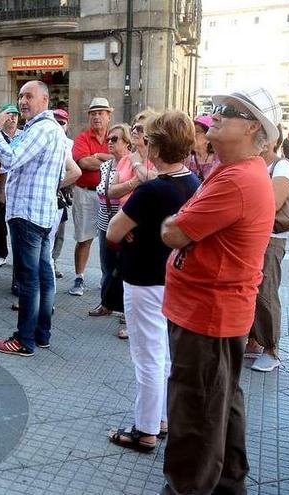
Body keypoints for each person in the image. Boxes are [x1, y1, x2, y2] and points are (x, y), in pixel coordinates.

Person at [160, 87, 280, 494]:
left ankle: (188, 487)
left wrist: (177, 224)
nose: (213, 121)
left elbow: (174, 232)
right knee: (220, 402)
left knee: (195, 411)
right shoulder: (232, 173)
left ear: (251, 128)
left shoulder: (237, 180)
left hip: (207, 316)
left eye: (225, 115)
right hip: (210, 313)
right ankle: (229, 483)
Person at [105, 111, 200, 452]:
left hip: (144, 278)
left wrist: (131, 232)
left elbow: (115, 231)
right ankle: (160, 417)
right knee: (163, 353)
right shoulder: (194, 184)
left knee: (148, 354)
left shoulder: (152, 190)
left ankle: (145, 430)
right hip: (173, 276)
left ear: (156, 148)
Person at [0, 81, 65, 357]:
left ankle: (24, 341)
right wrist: (2, 137)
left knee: (29, 279)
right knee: (43, 277)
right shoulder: (43, 128)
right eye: (20, 96)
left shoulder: (42, 128)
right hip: (40, 213)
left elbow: (10, 160)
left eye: (29, 96)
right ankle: (41, 335)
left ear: (45, 99)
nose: (22, 101)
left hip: (28, 214)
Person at [248, 126, 289, 372]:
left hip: (271, 236)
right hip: (252, 234)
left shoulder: (282, 166)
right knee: (251, 290)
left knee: (265, 292)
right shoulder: (253, 165)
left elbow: (273, 203)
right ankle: (254, 341)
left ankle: (272, 349)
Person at [87, 123, 133, 324]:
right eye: (109, 139)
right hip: (105, 222)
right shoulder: (105, 166)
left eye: (115, 139)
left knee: (126, 267)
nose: (110, 143)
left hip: (125, 224)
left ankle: (126, 310)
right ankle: (106, 303)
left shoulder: (133, 165)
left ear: (127, 142)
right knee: (107, 266)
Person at [70, 97, 114, 296]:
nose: (96, 117)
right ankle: (79, 278)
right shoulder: (82, 138)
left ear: (108, 116)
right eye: (93, 113)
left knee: (110, 239)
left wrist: (96, 157)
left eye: (101, 113)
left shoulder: (115, 136)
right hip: (85, 193)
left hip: (109, 195)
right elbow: (84, 163)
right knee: (84, 238)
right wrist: (109, 160)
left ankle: (107, 279)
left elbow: (123, 160)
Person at [0, 103, 21, 268]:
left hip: (18, 187)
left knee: (18, 225)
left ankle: (18, 257)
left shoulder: (24, 135)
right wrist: (0, 190)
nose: (13, 118)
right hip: (1, 184)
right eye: (9, 114)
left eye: (15, 115)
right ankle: (0, 253)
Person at [50, 109, 72, 279]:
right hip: (45, 194)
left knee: (60, 232)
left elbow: (75, 171)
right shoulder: (47, 140)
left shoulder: (70, 144)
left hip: (61, 196)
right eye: (55, 121)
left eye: (62, 122)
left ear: (67, 125)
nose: (59, 125)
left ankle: (53, 261)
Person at [184, 115, 220, 181]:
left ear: (208, 137)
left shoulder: (218, 161)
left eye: (196, 131)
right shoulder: (186, 158)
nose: (191, 134)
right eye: (190, 131)